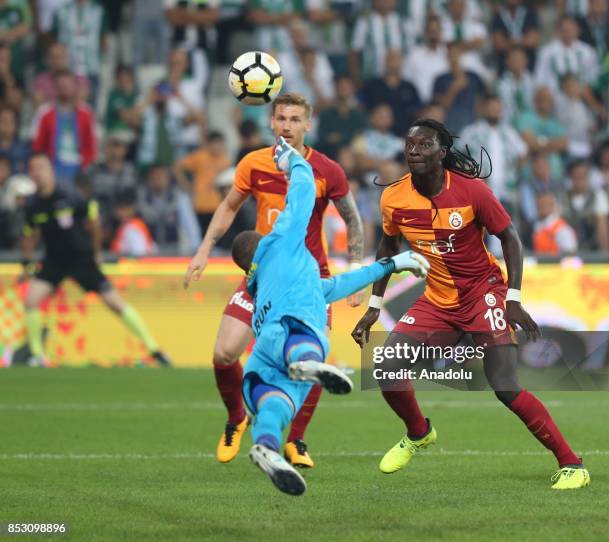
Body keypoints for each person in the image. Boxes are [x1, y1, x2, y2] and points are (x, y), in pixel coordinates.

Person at [351, 118, 590, 490]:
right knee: (387, 366)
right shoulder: (393, 197)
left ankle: (572, 464)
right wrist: (374, 304)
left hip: (483, 293)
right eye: (409, 144)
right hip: (438, 300)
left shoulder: (471, 191)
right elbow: (388, 249)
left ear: (441, 153)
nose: (414, 150)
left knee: (506, 386)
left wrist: (513, 298)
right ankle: (419, 433)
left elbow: (510, 238)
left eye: (424, 144)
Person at [233, 137, 429, 495]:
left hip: (260, 364)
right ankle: (306, 362)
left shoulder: (261, 284)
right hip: (290, 333)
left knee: (275, 409)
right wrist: (292, 160)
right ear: (261, 240)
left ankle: (266, 448)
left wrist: (392, 263)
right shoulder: (279, 242)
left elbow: (338, 285)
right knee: (310, 334)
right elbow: (305, 190)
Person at [184, 93, 364, 469]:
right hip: (262, 277)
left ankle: (295, 440)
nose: (287, 126)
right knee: (223, 353)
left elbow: (351, 218)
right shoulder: (254, 163)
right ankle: (237, 418)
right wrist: (204, 248)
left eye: (296, 119)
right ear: (271, 122)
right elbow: (230, 205)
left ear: (308, 125)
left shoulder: (327, 170)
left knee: (314, 360)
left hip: (310, 280)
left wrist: (357, 267)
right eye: (281, 118)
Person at [20, 153, 171, 368]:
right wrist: (27, 263)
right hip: (54, 260)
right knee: (31, 300)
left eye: (41, 167)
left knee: (115, 303)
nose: (37, 172)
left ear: (50, 170)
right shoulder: (33, 205)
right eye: (33, 168)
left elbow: (94, 221)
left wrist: (96, 253)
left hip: (81, 258)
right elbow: (29, 234)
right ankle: (37, 355)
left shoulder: (69, 195)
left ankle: (155, 349)